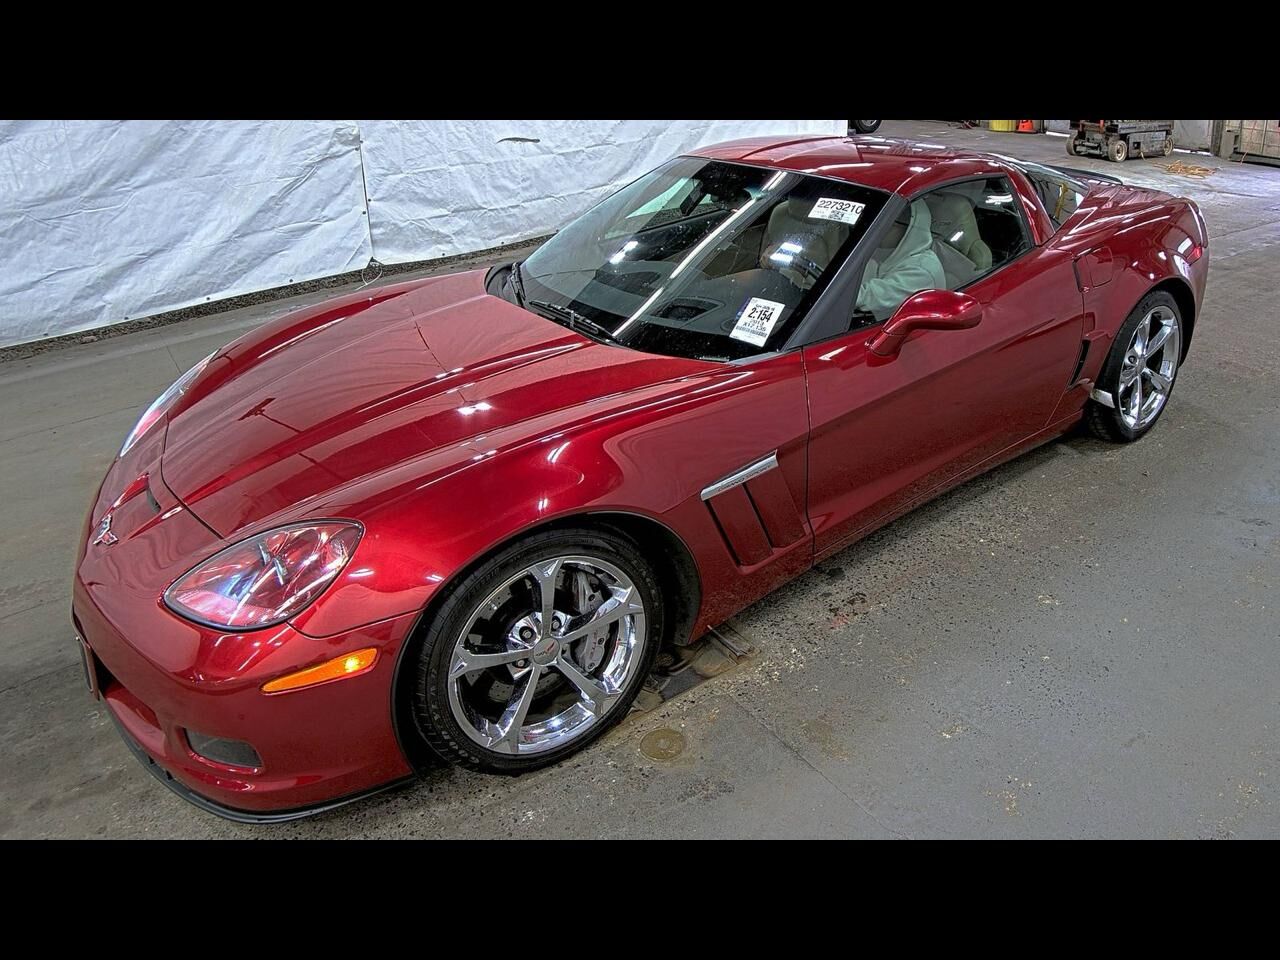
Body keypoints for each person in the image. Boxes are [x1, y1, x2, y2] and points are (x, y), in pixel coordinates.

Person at [855, 199, 945, 320]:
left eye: (890, 225)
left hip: (911, 336)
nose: (878, 231)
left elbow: (867, 297)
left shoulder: (923, 269)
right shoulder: (877, 255)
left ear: (910, 229)